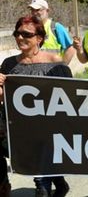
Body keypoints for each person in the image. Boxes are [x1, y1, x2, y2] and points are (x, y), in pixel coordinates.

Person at [0, 15, 72, 197]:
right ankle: (60, 183)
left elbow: (69, 96)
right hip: (18, 128)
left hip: (48, 128)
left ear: (39, 38)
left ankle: (45, 187)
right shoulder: (8, 64)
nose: (20, 38)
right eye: (17, 33)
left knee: (41, 178)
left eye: (26, 34)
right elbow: (3, 98)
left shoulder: (55, 62)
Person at [28, 0, 75, 65]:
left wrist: (63, 68)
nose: (34, 13)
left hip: (52, 73)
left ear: (47, 11)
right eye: (32, 10)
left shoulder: (55, 27)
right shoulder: (29, 28)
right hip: (35, 72)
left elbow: (70, 49)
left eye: (38, 10)